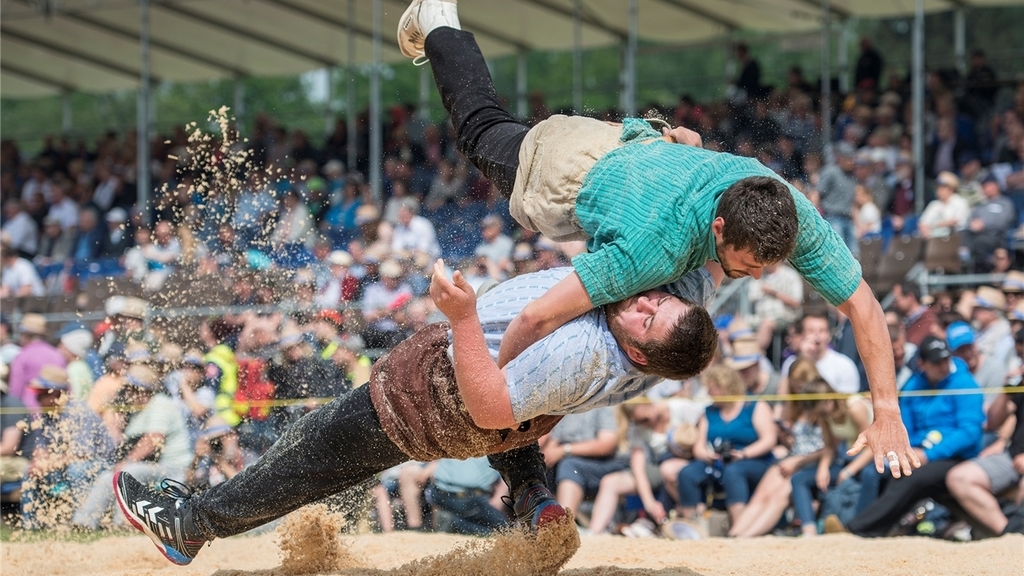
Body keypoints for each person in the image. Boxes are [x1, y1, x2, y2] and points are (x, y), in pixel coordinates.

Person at [396, 0, 913, 475]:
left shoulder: (785, 209)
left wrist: (886, 410)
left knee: (681, 154)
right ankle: (440, 21)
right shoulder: (653, 251)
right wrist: (499, 379)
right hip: (572, 168)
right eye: (749, 262)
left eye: (765, 267)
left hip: (648, 158)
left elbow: (864, 306)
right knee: (482, 129)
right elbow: (536, 317)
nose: (755, 276)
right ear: (718, 228)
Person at [115, 262, 720, 565]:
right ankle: (534, 496)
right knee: (522, 425)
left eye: (649, 316)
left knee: (309, 454)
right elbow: (702, 270)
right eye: (657, 300)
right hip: (497, 410)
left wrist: (461, 319)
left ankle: (192, 523)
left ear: (639, 351)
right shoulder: (671, 333)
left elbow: (488, 405)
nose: (645, 299)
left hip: (427, 402)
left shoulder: (585, 352)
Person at [827, 336, 984, 537]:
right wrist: (908, 450)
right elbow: (905, 427)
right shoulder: (913, 385)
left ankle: (857, 530)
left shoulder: (965, 383)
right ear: (922, 364)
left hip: (957, 457)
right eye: (936, 362)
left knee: (910, 477)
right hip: (919, 451)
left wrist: (929, 454)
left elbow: (969, 433)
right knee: (875, 471)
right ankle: (863, 527)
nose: (943, 365)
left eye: (946, 359)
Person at [672, 365, 777, 526]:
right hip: (718, 462)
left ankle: (739, 528)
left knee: (734, 471)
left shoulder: (754, 406)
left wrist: (743, 454)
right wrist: (708, 455)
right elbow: (698, 448)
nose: (708, 393)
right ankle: (692, 527)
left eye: (712, 389)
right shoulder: (708, 412)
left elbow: (769, 440)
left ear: (726, 387)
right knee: (687, 473)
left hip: (755, 461)